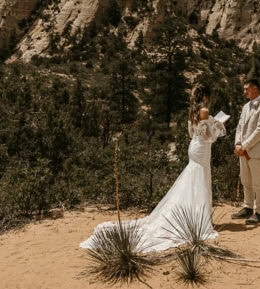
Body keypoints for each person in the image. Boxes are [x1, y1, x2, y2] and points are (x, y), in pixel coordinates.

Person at [79, 84, 226, 252]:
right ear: (205, 96)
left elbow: (191, 134)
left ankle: (196, 217)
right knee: (200, 180)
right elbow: (207, 136)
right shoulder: (204, 110)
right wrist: (217, 125)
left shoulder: (192, 110)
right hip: (201, 149)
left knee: (194, 180)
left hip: (194, 147)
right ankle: (199, 219)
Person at [231, 78, 260, 225]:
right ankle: (247, 207)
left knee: (257, 181)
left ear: (255, 88)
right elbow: (240, 126)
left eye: (246, 89)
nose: (244, 92)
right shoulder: (245, 106)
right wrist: (238, 143)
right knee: (245, 179)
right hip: (242, 150)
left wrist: (245, 146)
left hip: (254, 151)